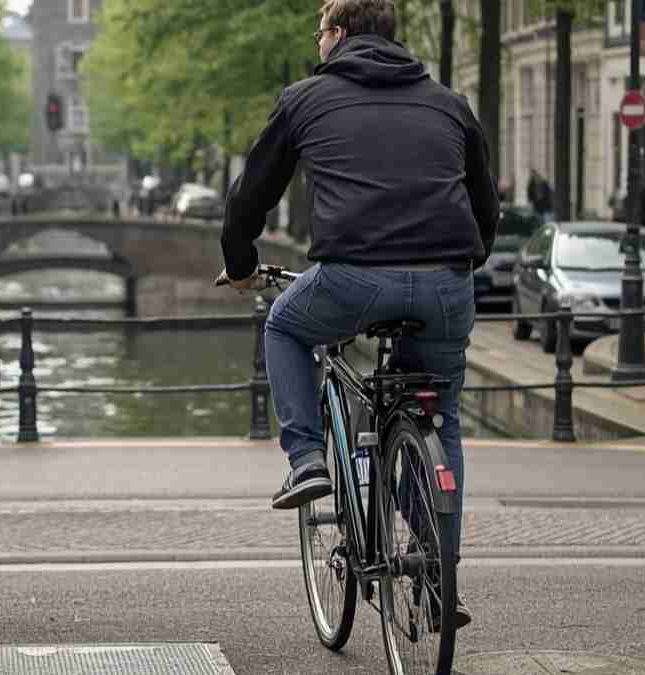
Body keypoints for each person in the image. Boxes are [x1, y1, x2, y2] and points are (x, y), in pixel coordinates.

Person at [218, 0, 498, 626]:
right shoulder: (449, 103)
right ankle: (436, 581)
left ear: (339, 35)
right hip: (447, 283)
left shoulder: (305, 98)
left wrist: (241, 266)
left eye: (321, 34)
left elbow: (249, 198)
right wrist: (456, 270)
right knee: (439, 417)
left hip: (351, 280)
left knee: (285, 326)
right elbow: (486, 208)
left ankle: (307, 459)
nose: (318, 44)